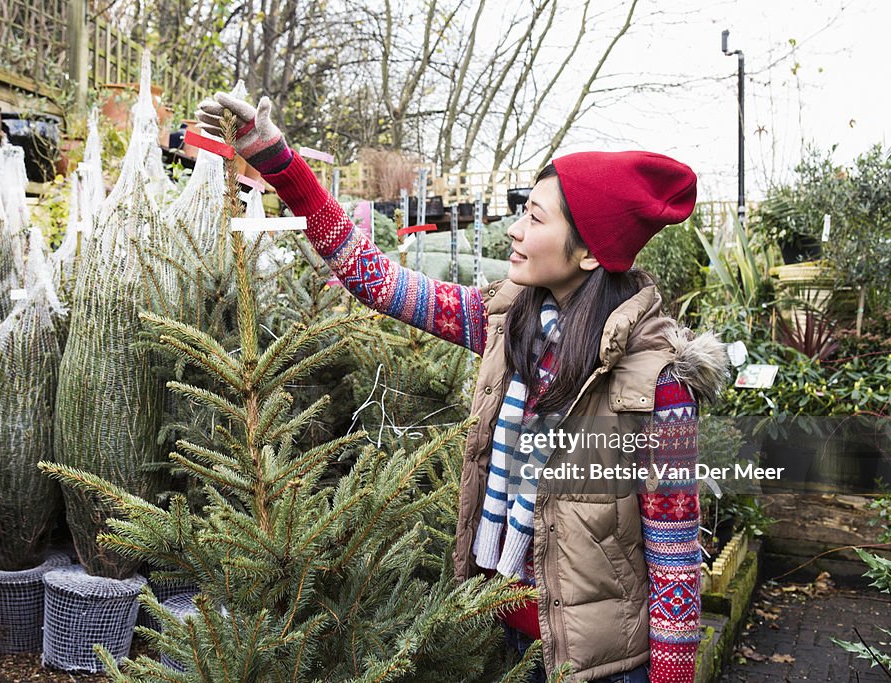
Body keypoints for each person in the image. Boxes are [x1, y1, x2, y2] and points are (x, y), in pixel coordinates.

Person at [196, 93, 729, 683]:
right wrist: (279, 163)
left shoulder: (659, 387)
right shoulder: (507, 324)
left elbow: (675, 560)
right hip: (504, 636)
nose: (516, 230)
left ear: (587, 253)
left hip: (601, 667)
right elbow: (374, 277)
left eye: (536, 217)